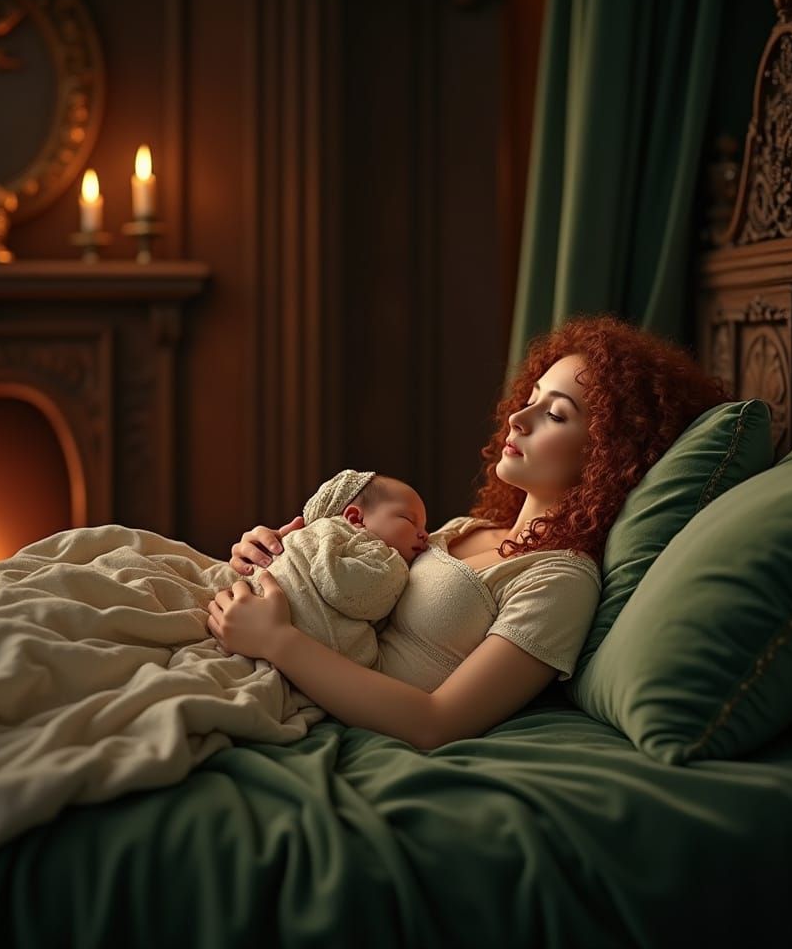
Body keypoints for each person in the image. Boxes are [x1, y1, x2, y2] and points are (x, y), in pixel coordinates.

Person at [207, 313, 729, 751]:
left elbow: (438, 721)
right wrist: (277, 554)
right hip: (257, 650)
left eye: (556, 415)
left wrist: (278, 640)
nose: (519, 419)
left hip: (295, 679)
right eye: (533, 396)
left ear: (609, 458)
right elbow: (347, 583)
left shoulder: (560, 579)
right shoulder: (466, 529)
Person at [210, 468, 429, 668]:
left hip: (258, 627)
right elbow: (348, 589)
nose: (425, 535)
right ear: (356, 518)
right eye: (410, 520)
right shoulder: (367, 548)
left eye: (425, 527)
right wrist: (397, 569)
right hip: (250, 617)